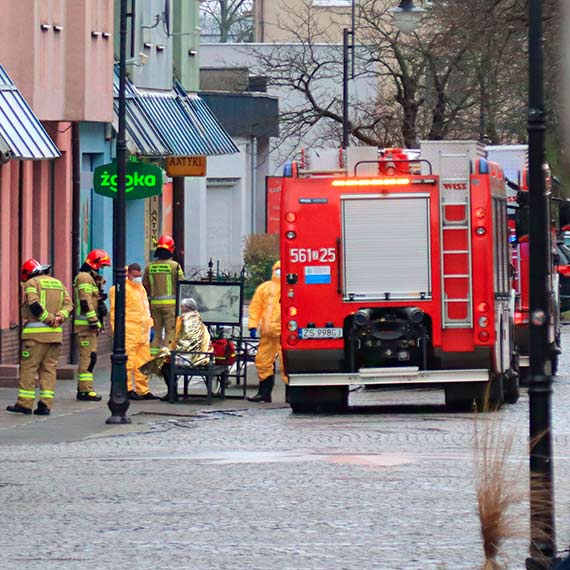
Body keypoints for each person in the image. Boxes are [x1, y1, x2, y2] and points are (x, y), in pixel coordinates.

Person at [7, 259, 73, 416]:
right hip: (55, 336)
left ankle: (24, 404)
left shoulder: (32, 283)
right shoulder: (58, 283)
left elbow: (34, 305)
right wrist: (59, 318)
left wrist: (49, 319)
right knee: (49, 370)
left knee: (29, 368)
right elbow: (69, 306)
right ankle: (45, 406)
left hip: (35, 337)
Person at [140, 298, 212, 399]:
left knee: (165, 365)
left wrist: (171, 350)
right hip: (201, 357)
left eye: (182, 307)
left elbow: (182, 341)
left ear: (186, 308)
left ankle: (172, 392)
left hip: (190, 359)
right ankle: (171, 392)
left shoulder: (185, 321)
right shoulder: (197, 319)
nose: (181, 308)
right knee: (166, 360)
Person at [109, 263, 158, 400]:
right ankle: (128, 389)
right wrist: (117, 332)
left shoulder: (140, 289)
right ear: (128, 274)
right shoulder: (119, 289)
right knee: (128, 363)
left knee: (143, 363)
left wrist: (150, 325)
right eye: (135, 276)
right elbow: (115, 312)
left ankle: (143, 390)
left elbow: (145, 309)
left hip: (142, 332)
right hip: (129, 332)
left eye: (139, 275)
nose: (138, 278)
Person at [73, 249, 111, 401]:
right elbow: (85, 302)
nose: (100, 269)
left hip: (90, 326)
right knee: (87, 358)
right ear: (93, 263)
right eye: (100, 265)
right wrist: (94, 321)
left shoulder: (89, 278)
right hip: (86, 326)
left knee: (91, 357)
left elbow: (91, 300)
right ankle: (85, 390)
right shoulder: (84, 278)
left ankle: (85, 388)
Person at [247, 260, 287, 403]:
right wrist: (253, 325)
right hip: (267, 333)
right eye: (277, 269)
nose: (278, 272)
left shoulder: (290, 288)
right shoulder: (265, 288)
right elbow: (255, 307)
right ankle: (264, 393)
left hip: (284, 335)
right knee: (262, 362)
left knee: (287, 364)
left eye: (281, 269)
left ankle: (290, 394)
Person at [143, 235, 185, 357]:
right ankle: (166, 358)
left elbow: (145, 285)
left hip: (154, 305)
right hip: (171, 306)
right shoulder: (175, 266)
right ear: (171, 249)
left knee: (156, 332)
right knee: (170, 332)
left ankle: (153, 358)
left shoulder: (149, 266)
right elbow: (182, 283)